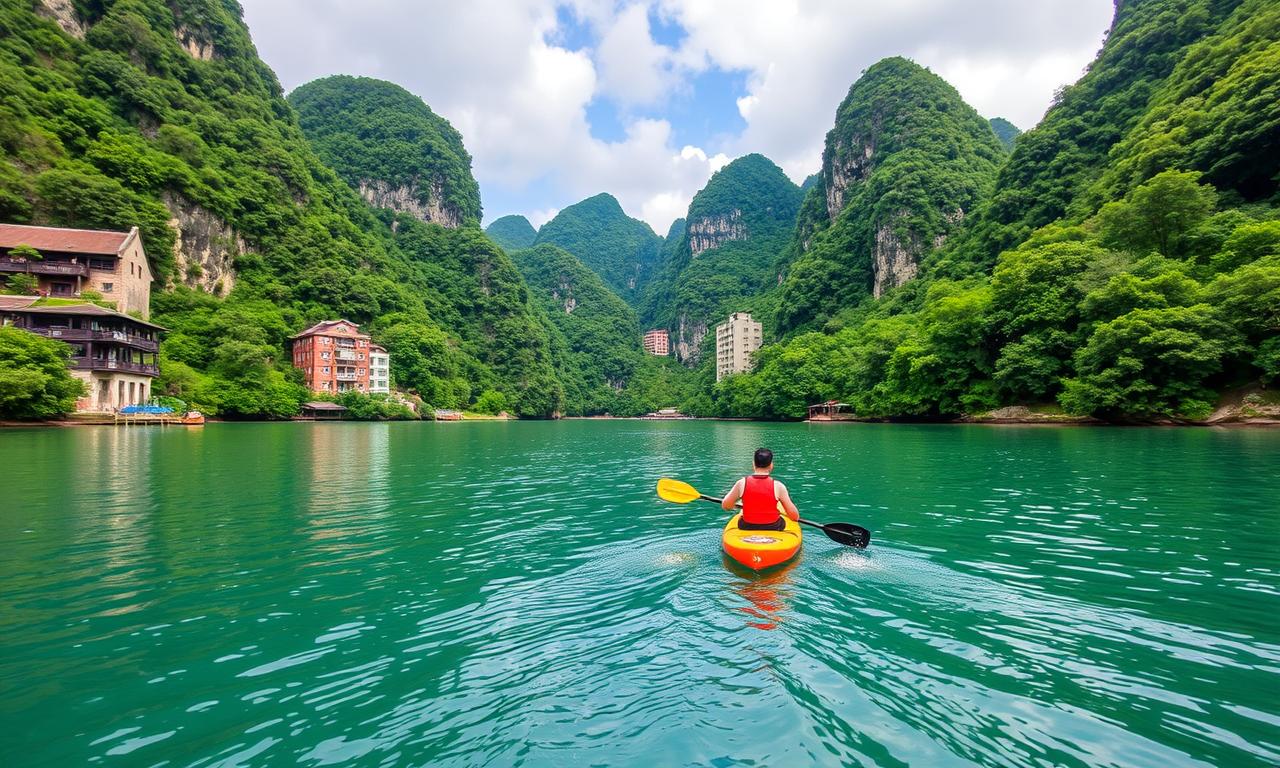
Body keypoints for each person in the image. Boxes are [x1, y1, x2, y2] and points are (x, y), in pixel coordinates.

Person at [721, 448, 800, 531]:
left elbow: (726, 505)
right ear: (771, 465)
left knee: (742, 520)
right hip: (774, 527)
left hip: (746, 526)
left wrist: (736, 505)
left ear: (753, 464)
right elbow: (794, 516)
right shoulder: (778, 486)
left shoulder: (741, 483)